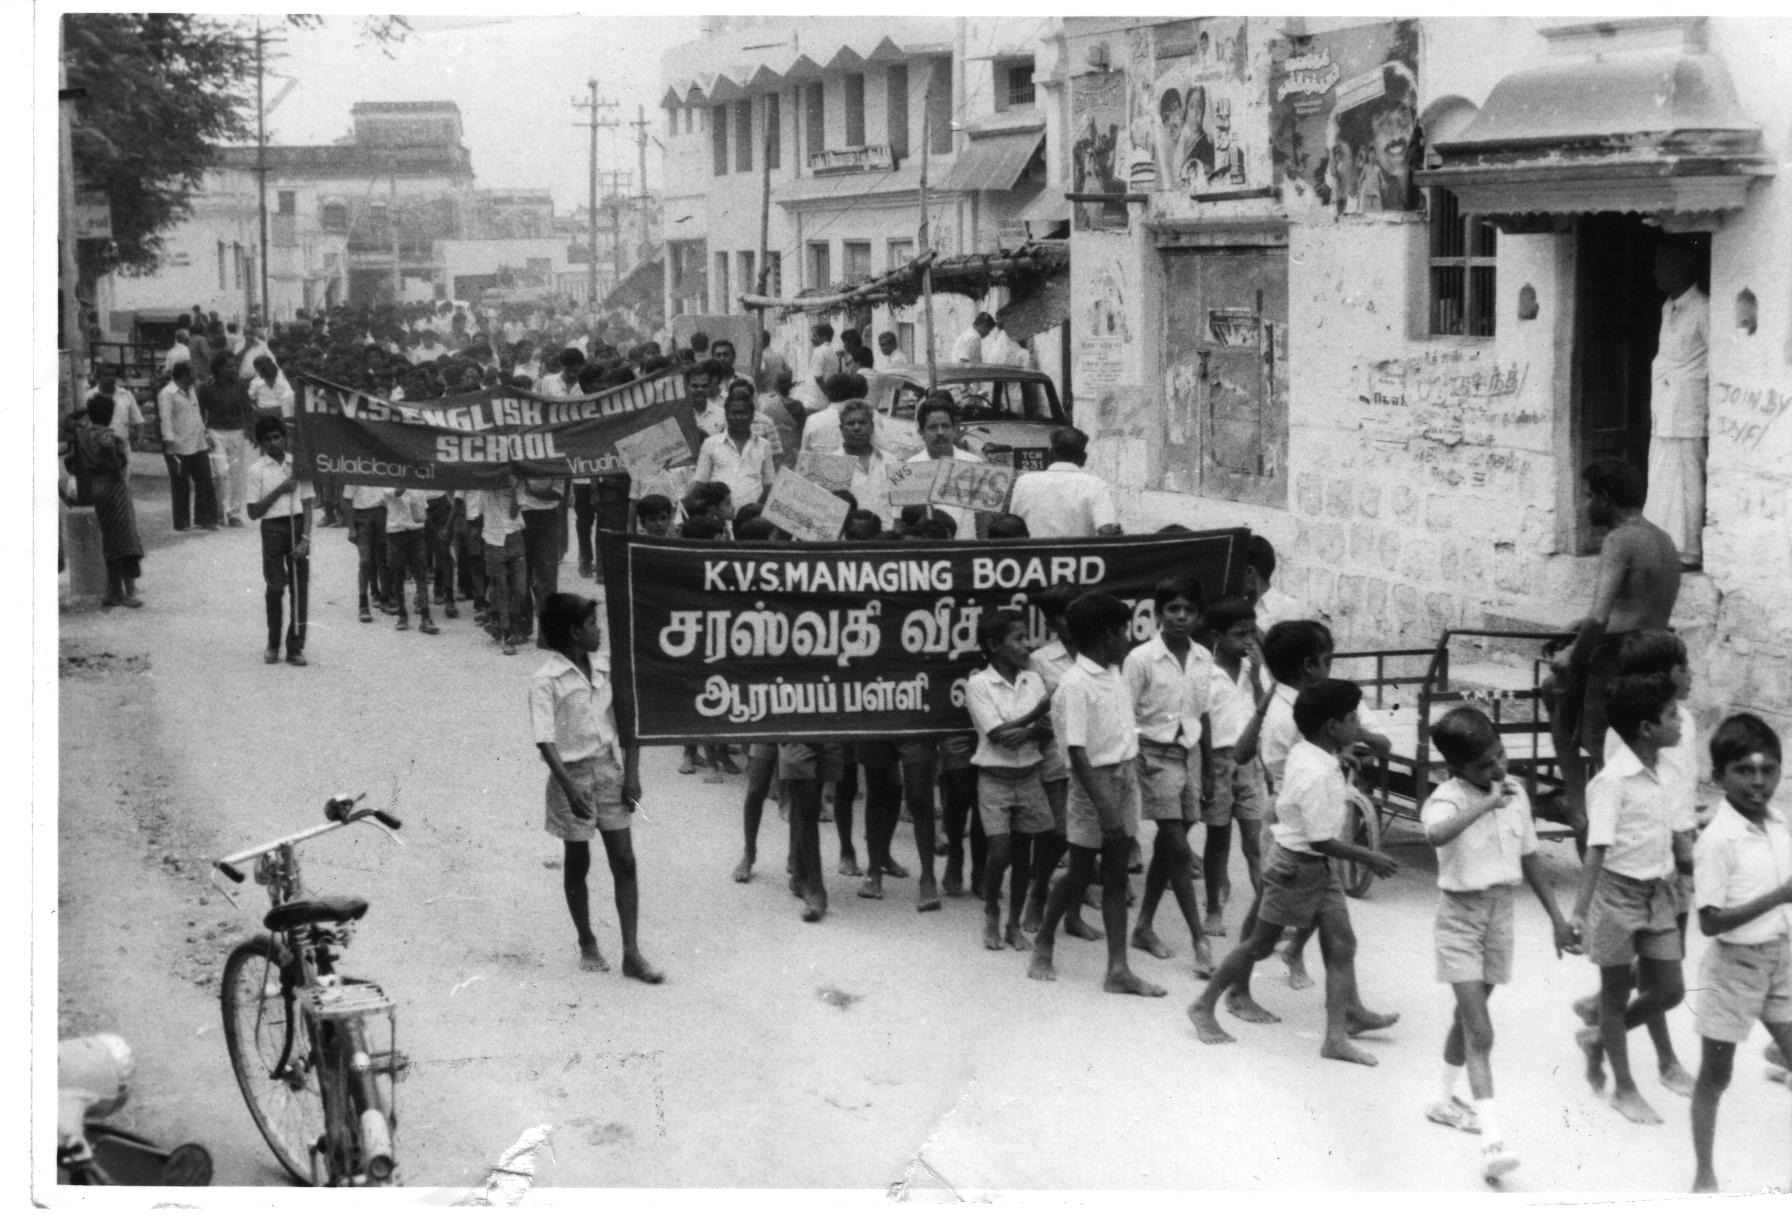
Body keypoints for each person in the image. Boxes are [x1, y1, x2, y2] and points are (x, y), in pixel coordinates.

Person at [1188, 679, 1399, 1061]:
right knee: (1259, 946)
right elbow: (1321, 841)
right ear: (1332, 726)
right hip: (1296, 868)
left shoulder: (1310, 752)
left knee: (1342, 945)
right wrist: (1368, 857)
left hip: (1315, 867)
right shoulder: (1317, 772)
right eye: (1353, 719)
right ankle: (1204, 1005)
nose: (1358, 726)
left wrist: (1340, 762)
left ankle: (1337, 1034)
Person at [1420, 707, 1579, 1181]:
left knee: (1467, 1018)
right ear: (1456, 768)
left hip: (1500, 915)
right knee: (1481, 1031)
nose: (1498, 770)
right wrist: (1487, 804)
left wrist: (1557, 919)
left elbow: (1530, 857)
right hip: (1460, 919)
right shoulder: (1446, 800)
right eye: (1484, 765)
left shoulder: (1516, 794)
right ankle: (1493, 1143)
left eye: (1500, 756)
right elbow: (1436, 834)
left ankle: (1442, 1099)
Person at [1570, 630, 1702, 1096]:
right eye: (1682, 668)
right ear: (1659, 677)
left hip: (1672, 861)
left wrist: (1688, 843)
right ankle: (1662, 1061)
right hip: (1644, 867)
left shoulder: (1683, 723)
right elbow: (1625, 809)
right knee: (1650, 973)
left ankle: (1605, 1027)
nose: (1691, 675)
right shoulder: (1626, 738)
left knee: (1663, 971)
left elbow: (1677, 792)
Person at [1026, 590, 1165, 997]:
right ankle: (1044, 940)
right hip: (1093, 787)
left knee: (1116, 876)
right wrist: (1105, 808)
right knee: (1081, 872)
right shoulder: (1075, 684)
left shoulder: (1115, 674)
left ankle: (1118, 969)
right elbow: (1077, 752)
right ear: (1108, 635)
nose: (1129, 640)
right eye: (1124, 632)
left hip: (1124, 778)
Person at [531, 592, 662, 983]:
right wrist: (569, 786)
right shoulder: (546, 680)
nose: (599, 631)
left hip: (608, 771)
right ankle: (587, 939)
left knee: (625, 861)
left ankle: (631, 953)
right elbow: (545, 740)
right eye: (591, 625)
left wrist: (632, 774)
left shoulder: (607, 668)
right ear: (574, 633)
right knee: (578, 860)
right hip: (570, 776)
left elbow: (628, 722)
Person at [1689, 713, 1792, 1192]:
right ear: (1719, 776)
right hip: (1733, 971)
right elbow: (1710, 922)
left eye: (1768, 770)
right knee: (1716, 1075)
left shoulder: (1779, 823)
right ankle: (1704, 1175)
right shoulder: (1717, 840)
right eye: (1744, 771)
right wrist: (1779, 897)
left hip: (1780, 960)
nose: (1758, 781)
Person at [1558, 458, 1682, 841]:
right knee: (1637, 749)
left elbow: (1600, 618)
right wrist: (1582, 626)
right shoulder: (1664, 539)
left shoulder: (1619, 540)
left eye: (1588, 496)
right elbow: (1635, 606)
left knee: (1557, 693)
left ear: (1605, 498)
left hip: (1618, 657)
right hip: (1657, 651)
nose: (1586, 504)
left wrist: (1572, 656)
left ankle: (1575, 801)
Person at [1125, 574, 1216, 977]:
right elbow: (1124, 715)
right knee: (1179, 848)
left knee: (1168, 845)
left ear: (1199, 616)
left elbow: (1202, 714)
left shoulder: (1203, 658)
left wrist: (1208, 769)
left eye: (1189, 610)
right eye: (1173, 609)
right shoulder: (1141, 658)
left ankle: (1143, 926)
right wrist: (1133, 761)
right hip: (1152, 757)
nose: (1181, 616)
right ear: (1158, 613)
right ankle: (1200, 941)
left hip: (1189, 756)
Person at [966, 608, 1054, 952]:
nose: (1027, 645)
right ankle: (991, 912)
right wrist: (1037, 715)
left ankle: (1013, 924)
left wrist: (1029, 730)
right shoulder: (979, 684)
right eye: (1018, 638)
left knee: (1023, 856)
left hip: (1029, 777)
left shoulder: (1032, 679)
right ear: (994, 645)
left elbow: (1048, 729)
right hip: (994, 780)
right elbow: (998, 735)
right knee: (1000, 853)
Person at [1201, 597, 1270, 935]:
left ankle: (1266, 914)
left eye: (1251, 634)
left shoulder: (1252, 670)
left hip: (1250, 762)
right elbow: (1202, 724)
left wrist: (1256, 677)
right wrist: (1205, 771)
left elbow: (1264, 711)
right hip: (1217, 762)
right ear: (1217, 636)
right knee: (1218, 840)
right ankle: (1214, 909)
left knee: (1255, 844)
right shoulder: (1205, 673)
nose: (1248, 641)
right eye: (1239, 634)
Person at [1644, 242, 1709, 571]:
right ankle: (1663, 548)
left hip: (1687, 410)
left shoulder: (1703, 308)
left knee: (1687, 482)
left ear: (1680, 269)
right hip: (1664, 407)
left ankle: (1689, 552)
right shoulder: (1667, 307)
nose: (1655, 273)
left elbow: (1717, 357)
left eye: (1661, 266)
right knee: (1662, 479)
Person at [245, 415, 312, 666]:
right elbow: (253, 512)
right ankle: (273, 644)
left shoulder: (299, 465)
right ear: (261, 443)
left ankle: (295, 647)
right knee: (275, 586)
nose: (273, 443)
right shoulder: (256, 470)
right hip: (272, 528)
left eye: (277, 437)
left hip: (297, 525)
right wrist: (281, 489)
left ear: (284, 437)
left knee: (299, 588)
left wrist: (305, 539)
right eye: (267, 439)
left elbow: (307, 504)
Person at [73, 396, 145, 608]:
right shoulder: (106, 435)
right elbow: (107, 449)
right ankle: (124, 592)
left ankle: (111, 590)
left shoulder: (84, 435)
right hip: (113, 487)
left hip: (96, 487)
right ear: (110, 414)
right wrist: (115, 467)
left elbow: (72, 455)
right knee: (125, 538)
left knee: (111, 539)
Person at [1008, 428, 1121, 538]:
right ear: (1084, 458)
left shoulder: (1024, 482)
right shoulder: (1095, 485)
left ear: (1051, 454)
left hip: (1034, 550)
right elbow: (1106, 531)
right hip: (1078, 550)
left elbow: (1012, 527)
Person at [158, 362, 220, 531]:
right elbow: (166, 419)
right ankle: (182, 522)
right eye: (192, 372)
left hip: (198, 442)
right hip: (178, 445)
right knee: (180, 484)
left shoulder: (191, 390)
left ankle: (206, 519)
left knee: (205, 481)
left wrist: (205, 435)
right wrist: (169, 445)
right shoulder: (167, 393)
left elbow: (197, 414)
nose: (195, 376)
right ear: (184, 374)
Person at [693, 384, 775, 510]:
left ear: (752, 415)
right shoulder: (710, 444)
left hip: (751, 516)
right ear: (726, 415)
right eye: (734, 413)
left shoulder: (764, 445)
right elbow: (700, 483)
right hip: (719, 515)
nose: (738, 417)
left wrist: (755, 509)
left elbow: (769, 485)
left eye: (743, 413)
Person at [197, 352, 253, 526]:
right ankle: (219, 512)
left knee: (236, 474)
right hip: (215, 433)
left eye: (235, 365)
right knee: (220, 474)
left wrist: (250, 430)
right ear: (219, 368)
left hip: (236, 432)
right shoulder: (207, 387)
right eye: (229, 366)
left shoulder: (240, 385)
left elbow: (247, 409)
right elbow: (199, 412)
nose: (233, 369)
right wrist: (205, 434)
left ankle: (234, 514)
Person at [479, 476, 527, 656]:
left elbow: (514, 513)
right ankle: (506, 633)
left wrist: (513, 489)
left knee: (521, 589)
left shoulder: (517, 483)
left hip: (514, 537)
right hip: (493, 539)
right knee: (501, 589)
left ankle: (505, 621)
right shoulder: (485, 485)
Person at [382, 486, 438, 635]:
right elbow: (397, 492)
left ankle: (426, 617)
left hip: (416, 533)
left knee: (421, 575)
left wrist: (429, 530)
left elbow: (422, 512)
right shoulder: (388, 484)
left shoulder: (418, 487)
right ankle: (402, 614)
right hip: (396, 533)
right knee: (398, 574)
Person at [800, 323, 842, 414]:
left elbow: (818, 376)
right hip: (824, 402)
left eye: (815, 336)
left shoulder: (819, 351)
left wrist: (827, 393)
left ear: (824, 337)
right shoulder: (832, 352)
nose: (811, 338)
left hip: (814, 402)